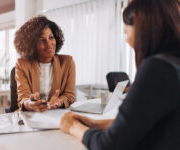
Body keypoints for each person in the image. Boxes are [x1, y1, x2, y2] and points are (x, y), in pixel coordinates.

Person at [60, 0, 180, 149]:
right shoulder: (173, 64)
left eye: (126, 32)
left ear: (143, 27)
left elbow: (108, 145)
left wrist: (73, 127)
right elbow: (138, 123)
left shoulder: (158, 69)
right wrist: (94, 123)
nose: (127, 40)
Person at [14, 16, 76, 112]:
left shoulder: (67, 62)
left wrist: (59, 102)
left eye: (51, 37)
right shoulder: (22, 64)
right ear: (32, 44)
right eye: (42, 40)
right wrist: (31, 104)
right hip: (31, 116)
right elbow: (23, 98)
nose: (49, 43)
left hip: (56, 115)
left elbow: (69, 96)